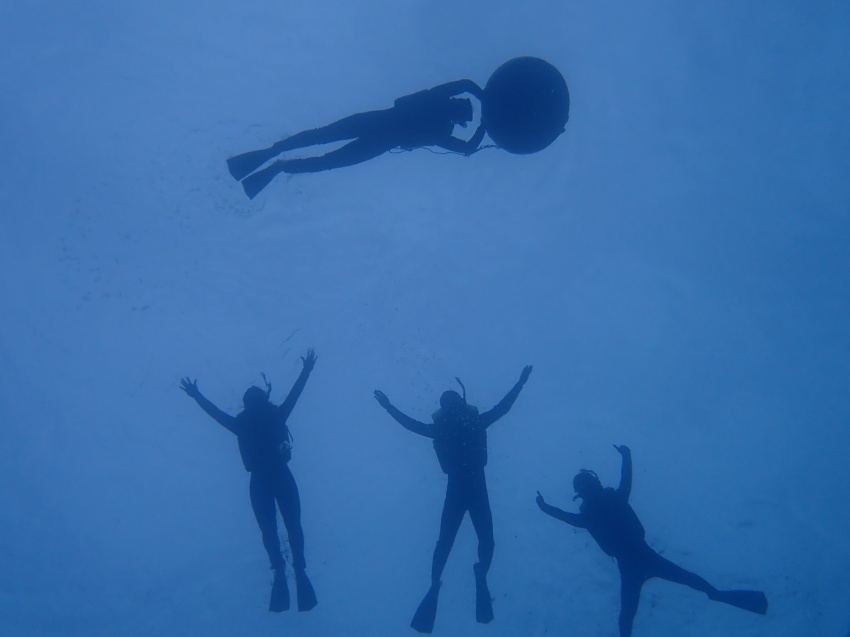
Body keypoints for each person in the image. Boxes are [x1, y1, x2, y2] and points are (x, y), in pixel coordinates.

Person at [536, 445, 768, 636]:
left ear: (581, 494)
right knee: (687, 581)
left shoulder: (591, 515)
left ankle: (717, 594)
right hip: (643, 557)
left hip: (631, 565)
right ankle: (719, 595)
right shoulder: (611, 502)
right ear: (594, 485)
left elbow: (566, 516)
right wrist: (626, 456)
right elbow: (625, 480)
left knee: (627, 614)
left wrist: (544, 507)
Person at [374, 365, 533, 633]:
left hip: (457, 490)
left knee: (446, 541)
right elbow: (503, 408)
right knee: (483, 539)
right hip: (476, 488)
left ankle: (438, 583)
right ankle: (476, 574)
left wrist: (389, 407)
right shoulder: (474, 422)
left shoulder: (442, 428)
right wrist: (520, 383)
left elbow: (411, 425)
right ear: (460, 404)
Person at [180, 349, 318, 613]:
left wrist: (197, 395)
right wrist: (306, 370)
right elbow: (295, 395)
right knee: (293, 526)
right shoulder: (276, 416)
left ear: (246, 405)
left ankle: (279, 569)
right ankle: (299, 570)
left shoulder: (241, 425)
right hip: (282, 475)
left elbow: (215, 413)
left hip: (259, 481)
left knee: (269, 530)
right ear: (264, 401)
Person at [228, 79, 487, 198]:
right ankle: (278, 162)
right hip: (378, 138)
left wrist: (481, 96)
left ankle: (276, 158)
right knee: (327, 153)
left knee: (321, 140)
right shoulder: (440, 126)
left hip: (374, 125)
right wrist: (484, 123)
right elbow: (467, 147)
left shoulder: (436, 104)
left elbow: (463, 85)